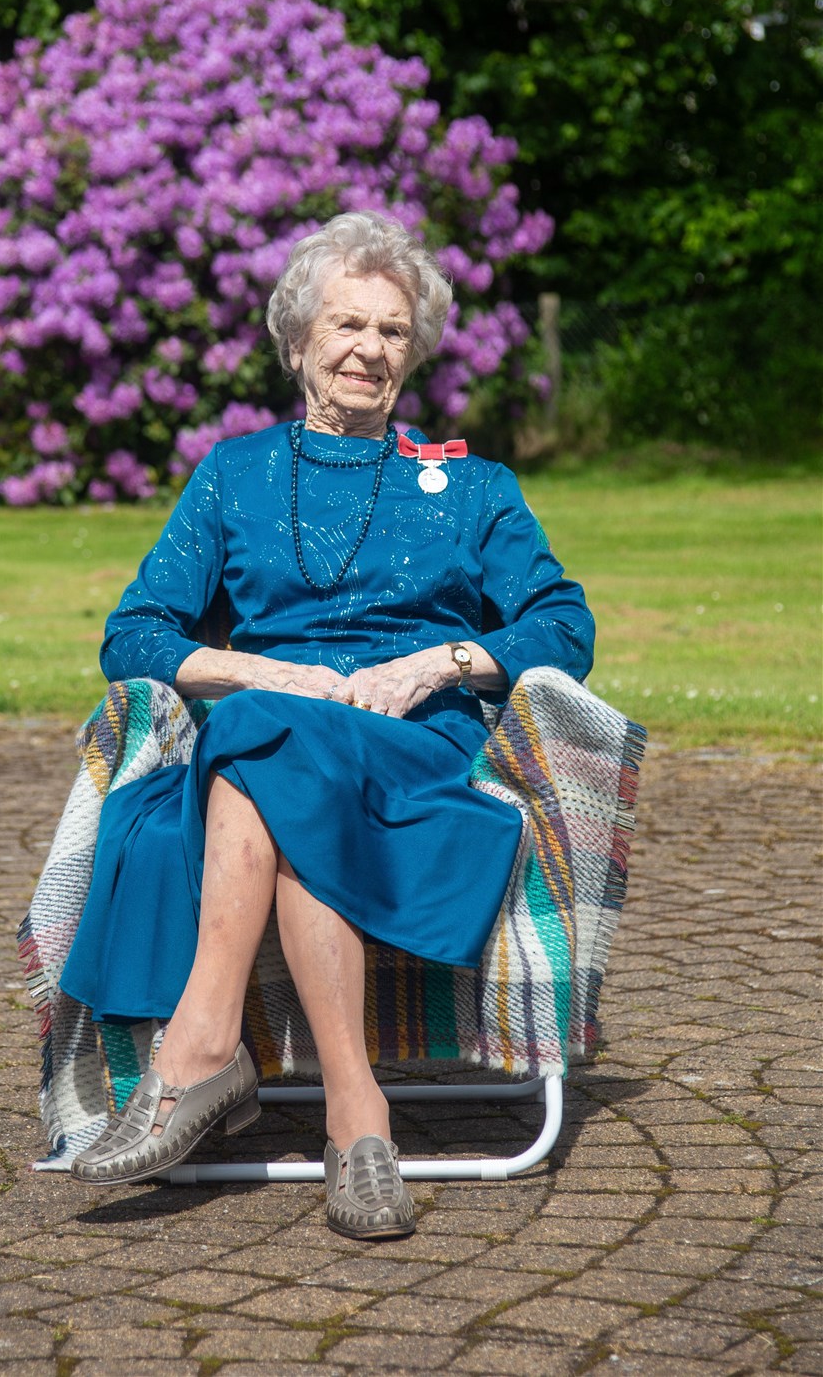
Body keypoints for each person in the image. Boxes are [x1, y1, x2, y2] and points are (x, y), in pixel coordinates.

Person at [60, 209, 594, 1239]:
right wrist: (275, 676)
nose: (369, 350)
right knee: (275, 736)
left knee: (266, 746)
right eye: (347, 326)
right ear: (298, 342)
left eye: (393, 332)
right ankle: (359, 1122)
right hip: (274, 741)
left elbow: (563, 626)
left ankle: (199, 1059)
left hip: (413, 756)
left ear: (415, 352)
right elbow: (135, 635)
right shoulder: (234, 476)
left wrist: (436, 662)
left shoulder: (472, 486)